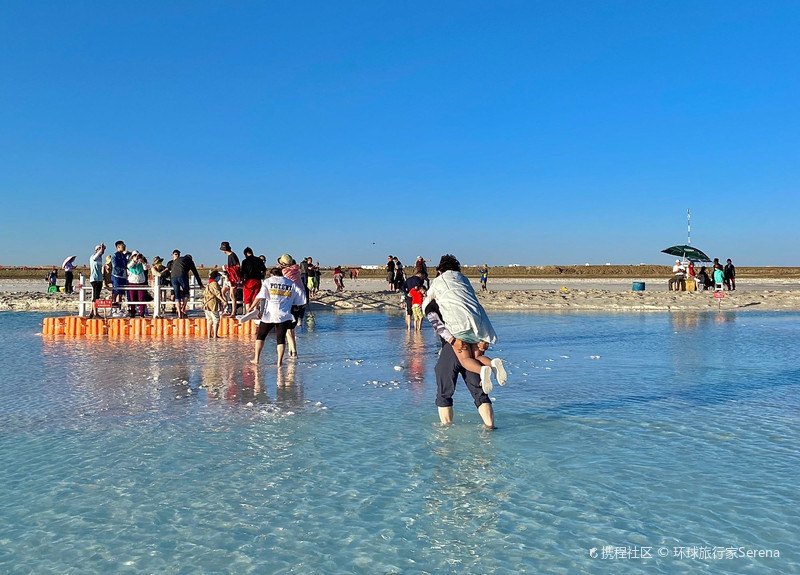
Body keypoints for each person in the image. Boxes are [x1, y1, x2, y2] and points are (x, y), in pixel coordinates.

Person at [423, 254, 506, 394]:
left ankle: (482, 370)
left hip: (458, 323)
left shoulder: (438, 281)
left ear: (440, 270)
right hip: (480, 322)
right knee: (478, 356)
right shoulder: (464, 279)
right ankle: (492, 364)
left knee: (465, 359)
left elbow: (428, 304)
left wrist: (451, 339)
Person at [426, 300, 495, 428]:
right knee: (479, 392)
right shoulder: (465, 299)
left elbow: (438, 325)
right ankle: (490, 427)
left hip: (453, 347)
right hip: (473, 347)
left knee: (444, 391)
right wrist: (485, 339)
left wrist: (452, 341)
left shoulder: (432, 305)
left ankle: (446, 431)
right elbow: (481, 317)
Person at [247, 266, 307, 366]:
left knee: (260, 337)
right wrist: (295, 304)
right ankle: (279, 362)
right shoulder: (290, 283)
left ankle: (256, 359)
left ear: (272, 274)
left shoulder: (268, 281)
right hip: (284, 315)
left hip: (269, 315)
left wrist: (251, 307)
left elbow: (260, 296)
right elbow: (302, 296)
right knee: (281, 339)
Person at [278, 253, 305, 351]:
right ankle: (291, 351)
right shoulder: (296, 270)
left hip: (290, 302)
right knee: (291, 329)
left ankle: (293, 352)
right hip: (299, 301)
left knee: (288, 330)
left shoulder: (285, 272)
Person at [171, 253, 204, 318]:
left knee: (177, 296)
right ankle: (183, 308)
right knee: (186, 293)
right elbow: (195, 273)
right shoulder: (190, 261)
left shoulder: (178, 259)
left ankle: (179, 314)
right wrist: (200, 284)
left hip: (173, 277)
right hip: (182, 276)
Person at [203, 270, 227, 338]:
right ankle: (215, 335)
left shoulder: (209, 283)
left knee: (209, 319)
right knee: (216, 319)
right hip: (212, 303)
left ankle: (209, 335)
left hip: (206, 303)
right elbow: (217, 294)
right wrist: (224, 301)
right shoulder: (214, 284)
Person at [220, 242, 241, 316]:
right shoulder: (231, 256)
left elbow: (237, 266)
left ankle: (233, 312)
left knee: (232, 295)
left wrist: (228, 270)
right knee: (223, 292)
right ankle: (226, 309)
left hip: (233, 278)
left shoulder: (232, 256)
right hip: (230, 277)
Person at [126, 251, 149, 317]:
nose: (137, 256)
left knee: (141, 298)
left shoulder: (141, 263)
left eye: (137, 255)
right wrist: (134, 260)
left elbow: (145, 268)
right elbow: (129, 266)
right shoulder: (130, 262)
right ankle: (132, 312)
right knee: (132, 298)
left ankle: (142, 313)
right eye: (135, 255)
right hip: (132, 282)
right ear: (132, 256)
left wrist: (142, 261)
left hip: (141, 282)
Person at [110, 241, 129, 315]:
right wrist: (123, 268)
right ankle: (113, 309)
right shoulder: (115, 255)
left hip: (123, 276)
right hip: (116, 275)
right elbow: (115, 265)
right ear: (118, 247)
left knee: (121, 293)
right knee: (115, 292)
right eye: (122, 245)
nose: (124, 247)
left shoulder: (124, 255)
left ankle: (119, 308)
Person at [88, 244, 105, 317]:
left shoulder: (100, 259)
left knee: (96, 296)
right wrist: (101, 249)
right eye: (99, 249)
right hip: (94, 279)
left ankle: (91, 312)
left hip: (99, 279)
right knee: (95, 297)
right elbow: (95, 257)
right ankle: (95, 313)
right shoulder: (93, 257)